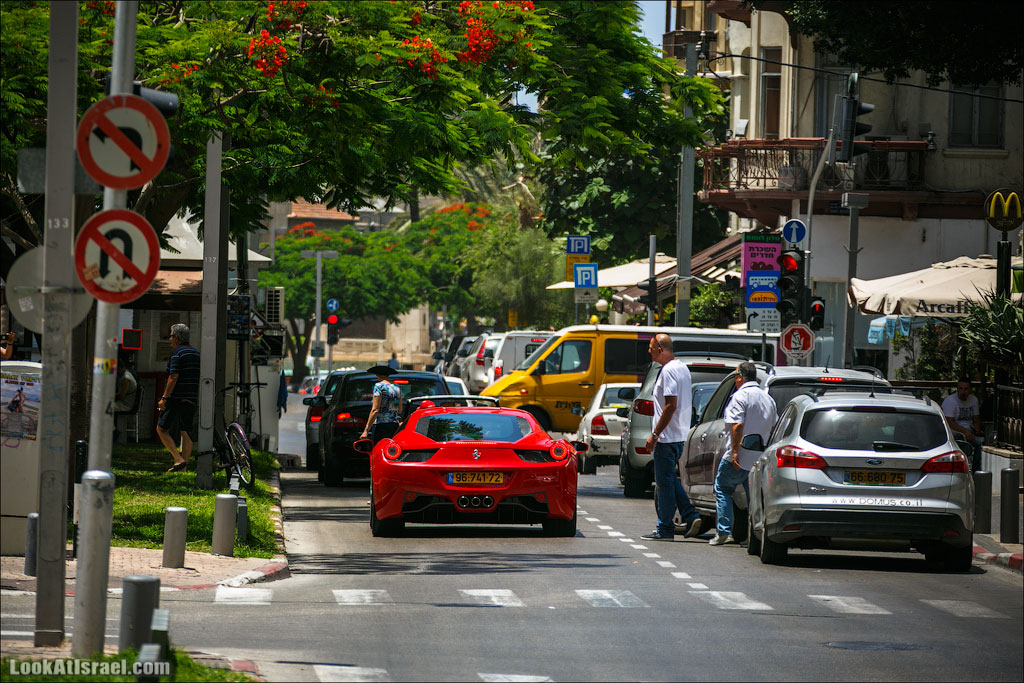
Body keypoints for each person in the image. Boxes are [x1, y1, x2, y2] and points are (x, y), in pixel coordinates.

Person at [641, 333, 703, 541]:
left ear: (659, 348)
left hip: (667, 437)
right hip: (678, 434)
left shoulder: (668, 371)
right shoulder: (682, 368)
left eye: (650, 348)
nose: (648, 352)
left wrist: (655, 434)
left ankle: (665, 528)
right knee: (668, 479)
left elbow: (670, 405)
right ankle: (690, 514)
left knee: (665, 484)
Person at [709, 362, 777, 546]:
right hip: (759, 457)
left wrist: (735, 452)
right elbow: (772, 426)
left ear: (740, 376)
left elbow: (737, 425)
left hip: (740, 455)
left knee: (722, 488)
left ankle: (724, 532)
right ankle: (753, 536)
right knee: (753, 498)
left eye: (735, 376)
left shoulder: (740, 396)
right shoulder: (767, 398)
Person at [157, 323, 200, 472]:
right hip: (192, 396)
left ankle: (178, 459)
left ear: (176, 337)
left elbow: (173, 376)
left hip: (177, 397)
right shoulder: (196, 353)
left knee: (161, 429)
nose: (169, 339)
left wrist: (164, 397)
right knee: (185, 431)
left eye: (170, 336)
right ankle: (184, 467)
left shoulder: (177, 353)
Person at [942, 377, 984, 472]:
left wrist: (977, 430)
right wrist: (965, 432)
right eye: (960, 388)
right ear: (957, 389)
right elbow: (949, 422)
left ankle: (976, 471)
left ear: (970, 390)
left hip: (970, 432)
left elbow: (976, 418)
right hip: (955, 434)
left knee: (981, 444)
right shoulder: (950, 401)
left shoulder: (973, 400)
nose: (963, 392)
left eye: (965, 389)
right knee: (963, 444)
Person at [359, 365, 403, 445]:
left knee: (379, 449)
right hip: (394, 425)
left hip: (381, 426)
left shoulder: (378, 386)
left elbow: (375, 410)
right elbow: (399, 409)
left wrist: (366, 430)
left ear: (377, 375)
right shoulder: (397, 387)